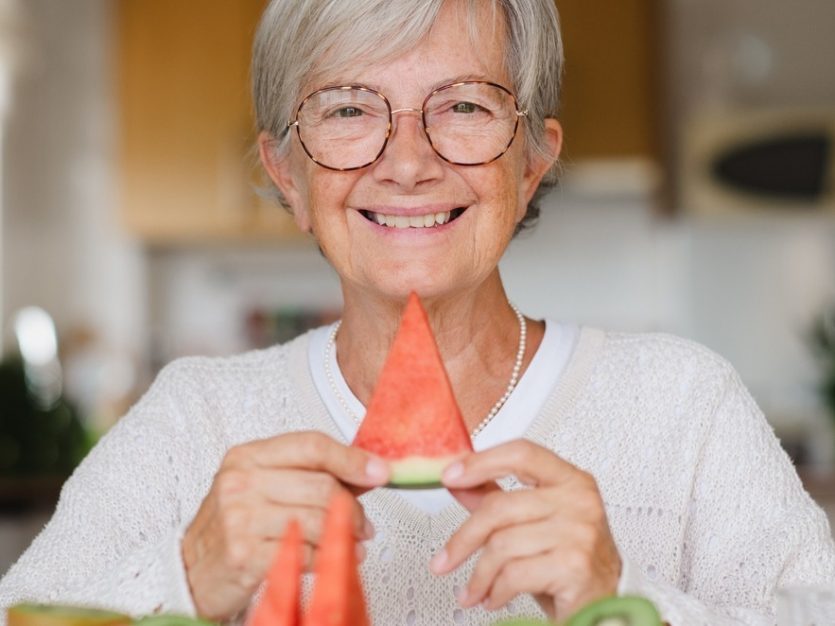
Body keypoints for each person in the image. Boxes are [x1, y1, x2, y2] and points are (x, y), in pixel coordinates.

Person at [2, 0, 834, 624]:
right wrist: (183, 576)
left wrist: (628, 603)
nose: (406, 162)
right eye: (348, 110)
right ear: (287, 173)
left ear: (534, 159)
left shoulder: (682, 406)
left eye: (464, 106)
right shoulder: (193, 421)